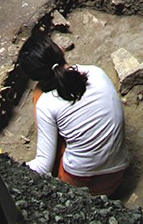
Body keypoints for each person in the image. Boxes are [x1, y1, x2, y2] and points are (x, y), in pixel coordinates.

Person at [20, 32, 128, 196]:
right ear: (62, 51)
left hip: (81, 187)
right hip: (116, 177)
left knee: (39, 96)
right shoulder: (96, 72)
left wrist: (9, 168)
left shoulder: (45, 102)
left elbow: (43, 167)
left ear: (35, 77)